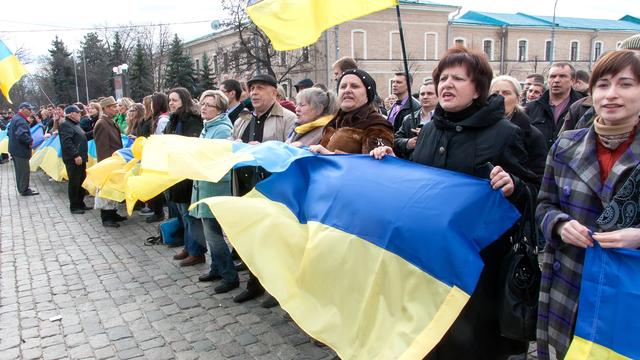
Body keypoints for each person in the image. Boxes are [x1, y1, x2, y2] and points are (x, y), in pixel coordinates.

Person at [371, 46, 538, 359]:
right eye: (442, 78)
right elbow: (421, 188)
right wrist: (394, 166)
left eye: (458, 78)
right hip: (429, 265)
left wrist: (514, 187)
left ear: (477, 89)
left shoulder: (505, 134)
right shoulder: (430, 130)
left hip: (478, 273)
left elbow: (532, 195)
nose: (446, 84)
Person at [536, 50, 640, 359]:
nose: (611, 94)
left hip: (628, 287)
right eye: (603, 84)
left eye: (625, 84)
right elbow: (544, 204)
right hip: (569, 280)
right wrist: (560, 224)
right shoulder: (566, 144)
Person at [231, 73, 296, 306]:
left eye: (260, 88)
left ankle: (276, 290)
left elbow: (292, 152)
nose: (254, 93)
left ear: (274, 93)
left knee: (273, 241)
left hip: (272, 189)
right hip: (245, 186)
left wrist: (266, 149)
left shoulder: (288, 118)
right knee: (250, 238)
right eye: (251, 88)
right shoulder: (243, 119)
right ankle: (254, 284)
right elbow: (231, 146)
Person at [190, 90, 239, 294]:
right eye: (202, 103)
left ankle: (229, 275)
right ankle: (216, 268)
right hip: (204, 184)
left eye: (209, 105)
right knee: (211, 232)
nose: (203, 107)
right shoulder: (208, 126)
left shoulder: (221, 129)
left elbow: (215, 159)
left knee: (213, 235)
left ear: (219, 109)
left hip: (214, 186)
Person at [164, 87, 206, 267]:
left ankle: (197, 251)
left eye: (175, 100)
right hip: (175, 172)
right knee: (183, 213)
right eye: (170, 100)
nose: (171, 103)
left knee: (191, 215)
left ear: (184, 100)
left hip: (188, 174)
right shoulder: (173, 119)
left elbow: (191, 145)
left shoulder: (192, 120)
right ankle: (189, 247)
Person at [310, 69, 394, 155]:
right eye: (343, 86)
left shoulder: (377, 124)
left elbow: (376, 163)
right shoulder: (334, 121)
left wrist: (330, 155)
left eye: (354, 86)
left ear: (367, 95)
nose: (347, 90)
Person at [490, 75, 547, 182]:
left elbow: (538, 178)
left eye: (506, 93)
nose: (500, 97)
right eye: (495, 93)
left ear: (518, 97)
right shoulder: (479, 128)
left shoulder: (533, 135)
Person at [526, 62, 584, 149]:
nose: (556, 80)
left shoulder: (583, 107)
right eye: (552, 76)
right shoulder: (530, 108)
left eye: (562, 76)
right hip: (539, 160)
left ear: (572, 81)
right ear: (548, 80)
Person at [94, 96, 125, 227]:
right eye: (113, 107)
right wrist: (106, 165)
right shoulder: (102, 123)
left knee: (113, 189)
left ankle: (113, 213)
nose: (116, 109)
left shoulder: (110, 121)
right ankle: (106, 217)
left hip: (115, 160)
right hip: (108, 162)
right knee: (106, 190)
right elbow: (102, 147)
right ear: (106, 109)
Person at [59, 105, 92, 214]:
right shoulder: (65, 125)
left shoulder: (75, 125)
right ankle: (74, 206)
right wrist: (75, 155)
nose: (80, 114)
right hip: (74, 159)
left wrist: (94, 132)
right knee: (74, 182)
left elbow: (83, 137)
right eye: (78, 113)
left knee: (81, 181)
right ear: (72, 114)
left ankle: (81, 203)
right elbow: (67, 143)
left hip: (81, 157)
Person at [394, 80, 437, 158]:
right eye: (422, 94)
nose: (425, 96)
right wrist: (408, 143)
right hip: (413, 165)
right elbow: (395, 141)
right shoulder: (409, 119)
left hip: (434, 167)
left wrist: (427, 134)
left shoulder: (445, 119)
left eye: (430, 94)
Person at [7, 102, 38, 196]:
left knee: (20, 171)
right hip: (20, 150)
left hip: (15, 149)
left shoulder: (15, 118)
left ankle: (22, 188)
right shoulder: (21, 120)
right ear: (23, 109)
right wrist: (30, 141)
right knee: (23, 171)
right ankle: (24, 190)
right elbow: (21, 134)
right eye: (29, 109)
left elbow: (9, 132)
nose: (31, 111)